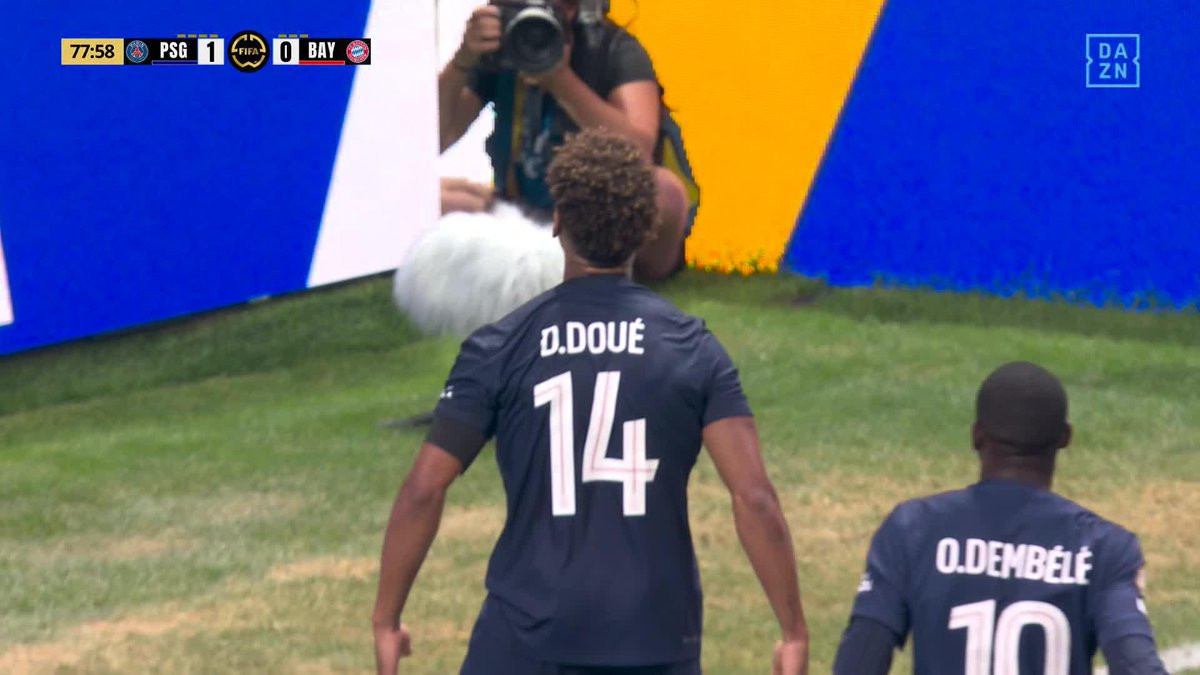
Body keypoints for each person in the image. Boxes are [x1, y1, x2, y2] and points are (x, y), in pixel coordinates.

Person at [372, 129, 809, 674]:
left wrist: (387, 620)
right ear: (644, 228)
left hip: (522, 643)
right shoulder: (692, 348)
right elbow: (754, 497)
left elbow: (423, 489)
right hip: (653, 642)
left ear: (557, 221)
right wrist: (792, 630)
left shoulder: (500, 346)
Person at [833, 361, 1167, 675]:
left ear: (977, 435)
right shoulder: (1103, 548)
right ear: (1065, 438)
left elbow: (860, 661)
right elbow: (1136, 664)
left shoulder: (913, 529)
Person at [437, 0, 695, 282]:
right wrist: (462, 60)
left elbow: (638, 152)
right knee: (426, 196)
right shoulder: (504, 47)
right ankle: (543, 262)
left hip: (598, 217)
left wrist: (560, 79)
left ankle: (608, 268)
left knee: (665, 192)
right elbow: (435, 138)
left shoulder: (612, 47)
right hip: (517, 211)